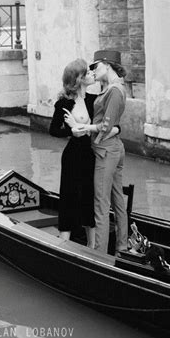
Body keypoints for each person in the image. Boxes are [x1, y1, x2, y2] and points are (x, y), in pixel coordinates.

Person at [49, 59, 119, 248]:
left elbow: (106, 124)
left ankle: (93, 246)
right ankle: (64, 243)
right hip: (72, 156)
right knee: (69, 196)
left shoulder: (94, 100)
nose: (91, 74)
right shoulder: (64, 103)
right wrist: (70, 132)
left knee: (90, 196)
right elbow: (54, 130)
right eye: (87, 73)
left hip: (90, 155)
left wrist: (115, 129)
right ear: (78, 79)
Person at [71, 50, 128, 255]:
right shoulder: (114, 88)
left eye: (96, 66)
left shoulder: (114, 90)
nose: (94, 70)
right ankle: (122, 247)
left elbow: (106, 125)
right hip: (114, 148)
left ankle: (100, 254)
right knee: (118, 200)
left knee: (101, 204)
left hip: (106, 151)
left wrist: (86, 129)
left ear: (107, 64)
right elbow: (112, 125)